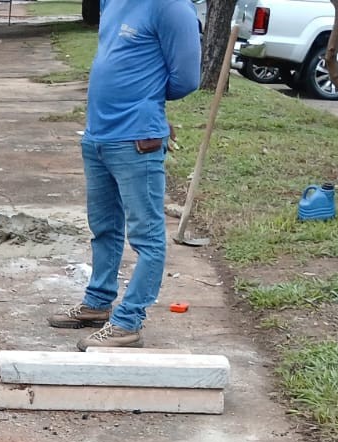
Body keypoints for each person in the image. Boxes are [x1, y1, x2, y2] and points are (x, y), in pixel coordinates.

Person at [47, 0, 199, 348]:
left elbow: (187, 79)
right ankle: (98, 303)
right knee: (104, 227)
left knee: (146, 236)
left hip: (137, 140)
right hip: (98, 137)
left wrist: (142, 98)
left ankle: (128, 322)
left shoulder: (172, 7)